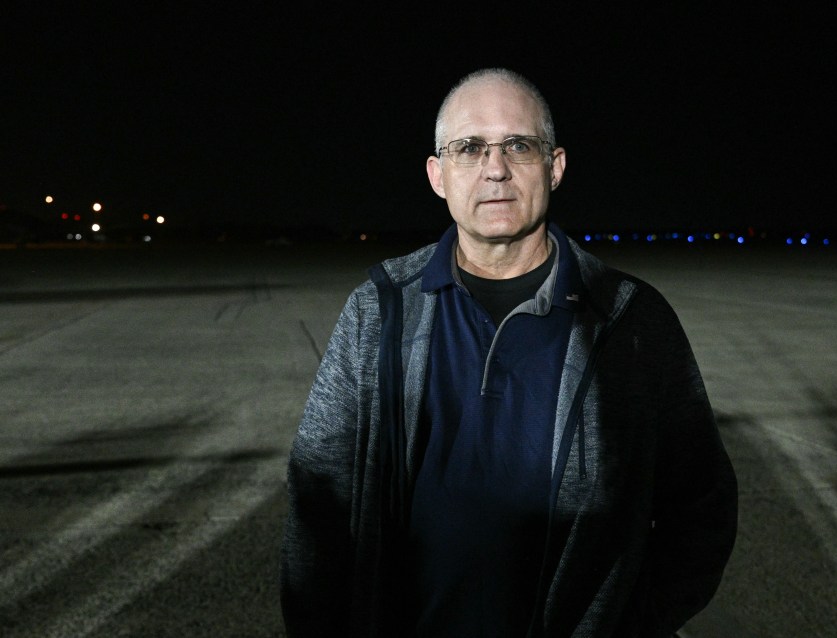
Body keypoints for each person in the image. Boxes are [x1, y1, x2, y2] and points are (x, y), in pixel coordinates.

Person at [280, 67, 738, 638]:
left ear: (556, 165)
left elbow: (701, 504)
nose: (494, 169)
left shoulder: (631, 321)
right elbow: (318, 501)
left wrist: (627, 623)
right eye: (469, 148)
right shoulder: (378, 312)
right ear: (437, 175)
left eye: (518, 146)